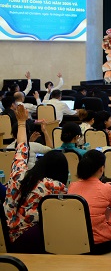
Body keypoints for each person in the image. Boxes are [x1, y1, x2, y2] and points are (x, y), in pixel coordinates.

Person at [4, 105, 68, 251]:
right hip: (26, 242)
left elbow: (21, 148)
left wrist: (21, 123)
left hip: (4, 236)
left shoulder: (18, 174)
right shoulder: (56, 186)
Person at [68, 149, 111, 251]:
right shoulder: (106, 189)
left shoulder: (72, 186)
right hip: (101, 243)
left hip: (78, 240)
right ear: (101, 169)